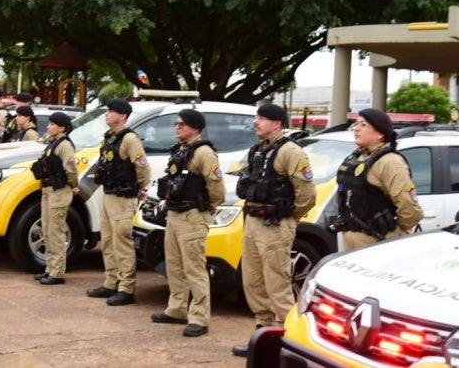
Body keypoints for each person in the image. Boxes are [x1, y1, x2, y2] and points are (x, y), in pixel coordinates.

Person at [232, 104, 316, 357]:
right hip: (254, 221)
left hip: (276, 224)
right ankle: (263, 336)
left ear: (277, 123)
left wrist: (293, 217)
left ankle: (286, 341)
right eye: (256, 117)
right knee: (253, 281)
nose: (256, 122)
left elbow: (307, 193)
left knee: (276, 283)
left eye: (261, 118)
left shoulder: (290, 151)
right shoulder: (257, 151)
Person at [149, 109, 224, 337]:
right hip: (174, 214)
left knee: (194, 267)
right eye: (177, 123)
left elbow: (216, 186)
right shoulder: (179, 151)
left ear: (195, 128)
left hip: (193, 215)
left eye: (183, 124)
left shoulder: (204, 153)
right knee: (174, 265)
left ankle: (199, 318)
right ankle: (177, 308)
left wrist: (212, 204)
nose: (177, 127)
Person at [87, 98, 151, 306]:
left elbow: (143, 169)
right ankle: (111, 282)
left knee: (122, 242)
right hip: (109, 194)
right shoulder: (111, 137)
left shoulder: (130, 139)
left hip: (123, 197)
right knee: (107, 241)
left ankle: (126, 288)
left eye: (111, 111)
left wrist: (138, 188)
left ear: (122, 116)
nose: (106, 114)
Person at [334, 108, 423, 251]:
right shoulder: (356, 158)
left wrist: (397, 231)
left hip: (378, 243)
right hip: (350, 240)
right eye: (356, 124)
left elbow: (409, 208)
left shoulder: (390, 162)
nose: (356, 129)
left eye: (363, 125)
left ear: (380, 133)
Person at [30, 112, 79, 285]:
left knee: (56, 232)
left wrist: (74, 185)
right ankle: (49, 268)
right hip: (48, 189)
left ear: (62, 127)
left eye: (52, 124)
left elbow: (71, 167)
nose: (48, 126)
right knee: (47, 230)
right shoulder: (53, 143)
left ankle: (57, 272)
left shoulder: (64, 145)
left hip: (59, 191)